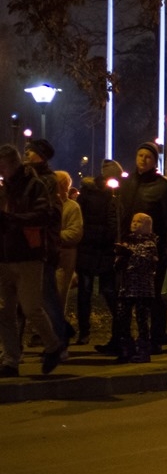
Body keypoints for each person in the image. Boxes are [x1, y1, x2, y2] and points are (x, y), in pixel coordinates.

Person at [0, 144, 62, 376]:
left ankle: (53, 345)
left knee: (31, 307)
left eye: (3, 166)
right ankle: (11, 360)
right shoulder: (4, 188)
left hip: (27, 255)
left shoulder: (34, 185)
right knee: (4, 311)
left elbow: (45, 214)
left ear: (14, 165)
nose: (1, 171)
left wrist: (12, 220)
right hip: (4, 256)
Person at [118, 141, 167, 353]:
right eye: (140, 155)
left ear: (155, 161)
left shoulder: (163, 187)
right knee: (126, 295)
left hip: (153, 250)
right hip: (129, 248)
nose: (143, 160)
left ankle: (156, 336)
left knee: (152, 295)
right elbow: (122, 215)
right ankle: (123, 337)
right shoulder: (127, 184)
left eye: (148, 157)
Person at [23, 139, 65, 351]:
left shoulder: (46, 180)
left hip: (43, 246)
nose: (27, 155)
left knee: (48, 296)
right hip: (24, 246)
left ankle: (59, 341)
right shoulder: (26, 177)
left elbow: (44, 213)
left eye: (31, 152)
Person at [76, 160, 120, 348]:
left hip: (105, 250)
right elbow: (81, 219)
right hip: (89, 248)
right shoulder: (89, 193)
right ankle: (84, 331)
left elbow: (115, 221)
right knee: (84, 292)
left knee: (109, 291)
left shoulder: (116, 195)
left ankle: (118, 331)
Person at [112, 213, 159, 363]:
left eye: (139, 222)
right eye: (133, 221)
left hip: (142, 289)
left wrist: (129, 255)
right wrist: (120, 258)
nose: (135, 223)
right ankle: (127, 348)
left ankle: (144, 350)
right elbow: (118, 265)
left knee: (142, 320)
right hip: (127, 287)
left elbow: (143, 261)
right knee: (122, 318)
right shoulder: (127, 242)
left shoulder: (150, 244)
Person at [54, 170, 83, 338]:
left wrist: (53, 237)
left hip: (63, 259)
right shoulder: (48, 205)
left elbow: (75, 233)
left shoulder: (72, 207)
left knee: (58, 298)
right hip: (48, 258)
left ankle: (58, 335)